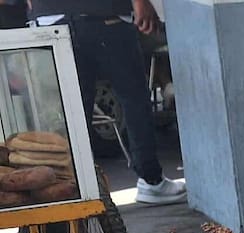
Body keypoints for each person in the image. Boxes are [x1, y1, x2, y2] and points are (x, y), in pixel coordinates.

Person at [29, 0, 186, 205]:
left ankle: (66, 184)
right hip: (104, 14)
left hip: (49, 16)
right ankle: (151, 180)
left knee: (70, 107)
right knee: (133, 98)